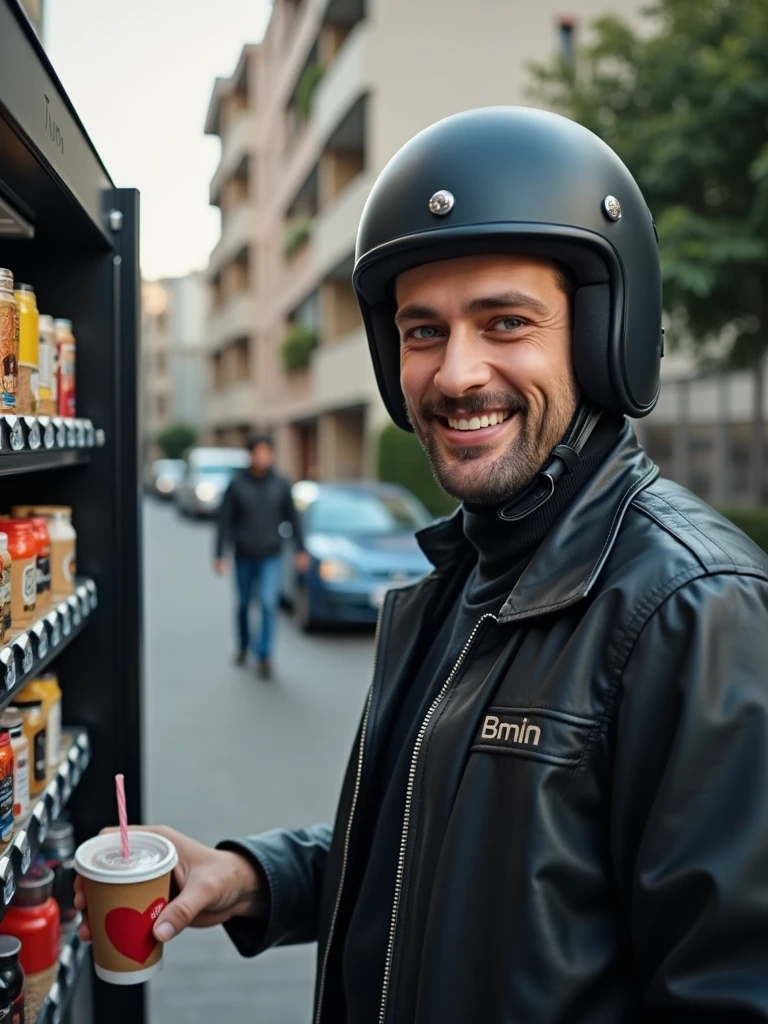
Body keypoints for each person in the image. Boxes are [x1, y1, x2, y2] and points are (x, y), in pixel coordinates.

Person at [78, 108, 768, 1021]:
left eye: (506, 321)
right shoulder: (464, 574)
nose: (455, 373)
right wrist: (253, 876)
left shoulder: (695, 606)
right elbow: (437, 860)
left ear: (606, 337)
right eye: (423, 331)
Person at [215, 433, 309, 679]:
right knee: (244, 604)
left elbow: (293, 518)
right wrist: (219, 554)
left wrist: (301, 548)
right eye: (258, 452)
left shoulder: (280, 483)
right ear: (250, 455)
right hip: (244, 554)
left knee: (268, 603)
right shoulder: (237, 484)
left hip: (271, 554)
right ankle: (244, 645)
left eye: (266, 452)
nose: (262, 457)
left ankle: (264, 655)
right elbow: (224, 521)